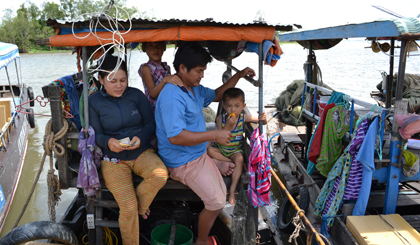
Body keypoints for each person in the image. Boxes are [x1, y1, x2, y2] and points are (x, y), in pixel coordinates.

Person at [155, 42, 255, 245]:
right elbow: (175, 137)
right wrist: (215, 135)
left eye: (203, 71)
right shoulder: (171, 95)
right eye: (199, 71)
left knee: (222, 195)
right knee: (217, 201)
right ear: (182, 68)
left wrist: (240, 75)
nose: (202, 75)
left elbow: (219, 94)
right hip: (181, 160)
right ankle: (201, 240)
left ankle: (217, 164)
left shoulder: (194, 89)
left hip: (198, 154)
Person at [89, 55, 168, 245]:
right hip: (113, 160)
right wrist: (108, 142)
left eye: (123, 80)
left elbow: (150, 123)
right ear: (101, 80)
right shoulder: (94, 102)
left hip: (141, 152)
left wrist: (140, 138)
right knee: (128, 208)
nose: (119, 85)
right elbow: (96, 134)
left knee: (159, 175)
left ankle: (139, 208)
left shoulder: (136, 95)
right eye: (112, 80)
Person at [207, 87, 267, 205]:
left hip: (235, 151)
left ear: (243, 106)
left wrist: (263, 119)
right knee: (209, 150)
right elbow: (220, 138)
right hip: (221, 150)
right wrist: (228, 125)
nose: (233, 109)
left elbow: (260, 121)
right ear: (223, 106)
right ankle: (232, 163)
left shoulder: (243, 118)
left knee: (239, 158)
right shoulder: (221, 119)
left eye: (237, 106)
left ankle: (232, 189)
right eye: (229, 106)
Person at [138, 41, 183, 112]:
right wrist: (165, 80)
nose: (155, 48)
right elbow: (153, 93)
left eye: (159, 45)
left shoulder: (166, 67)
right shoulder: (146, 68)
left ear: (164, 47)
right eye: (151, 45)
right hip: (154, 109)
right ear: (144, 48)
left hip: (167, 105)